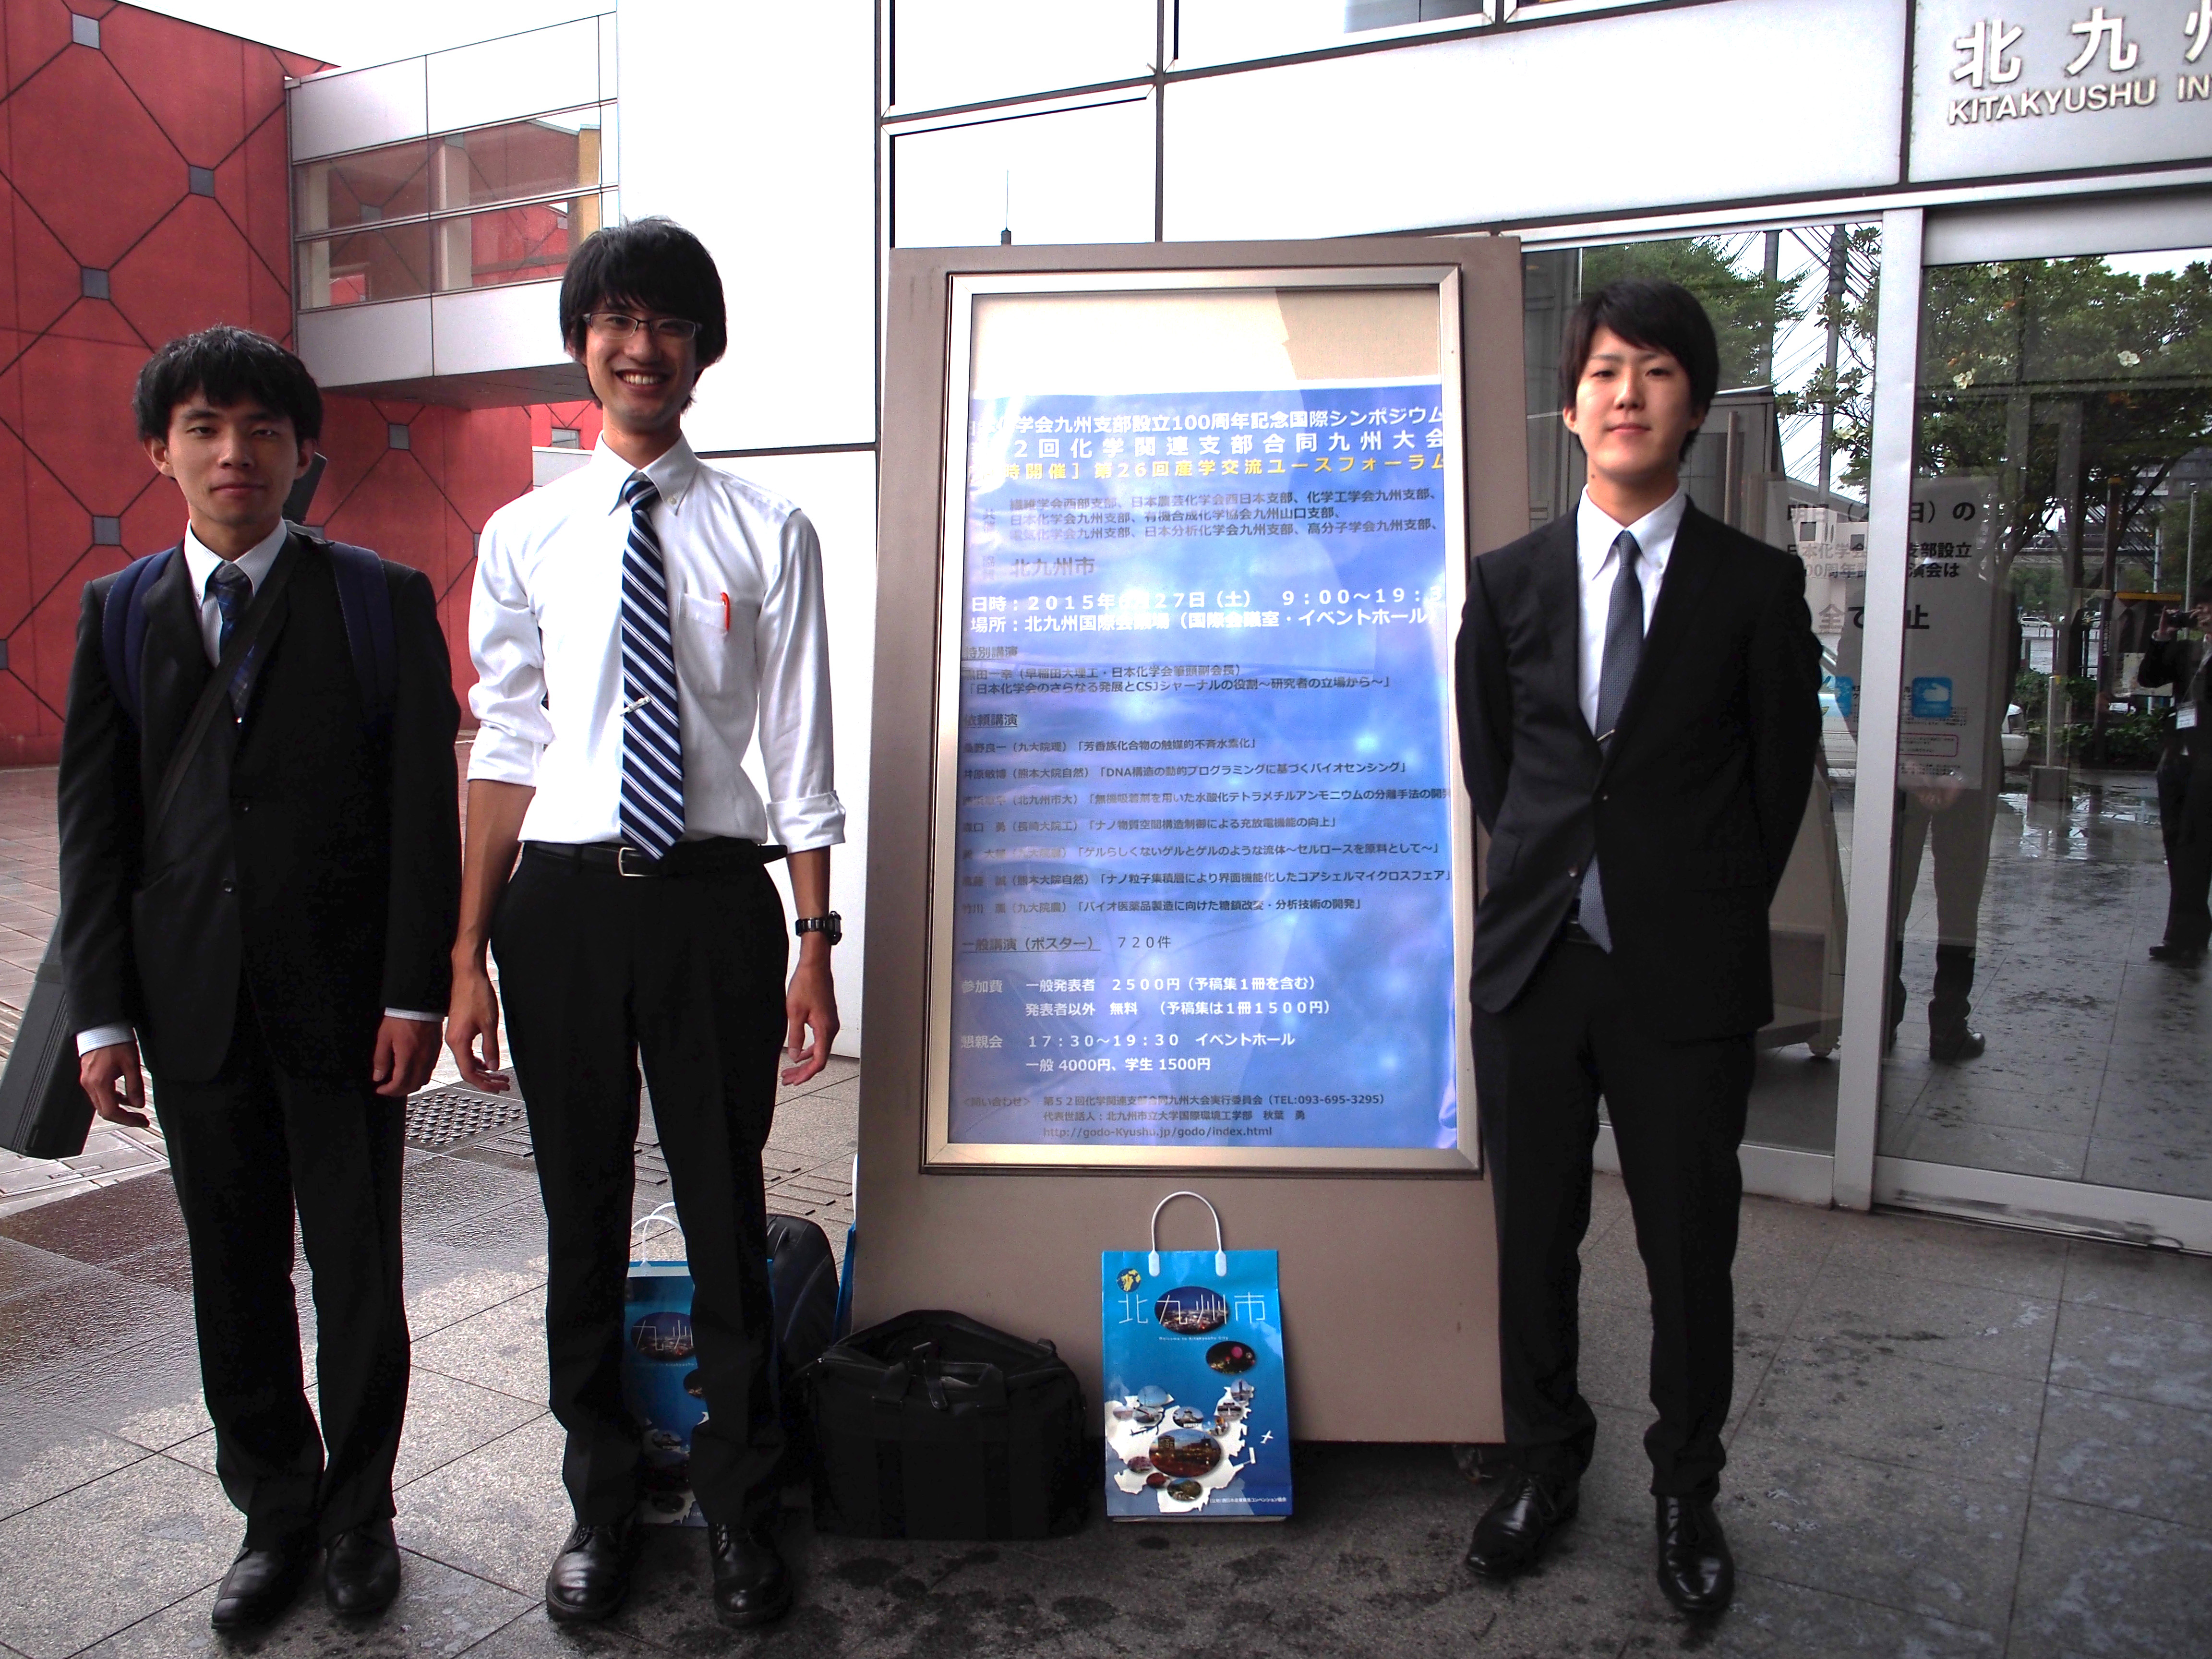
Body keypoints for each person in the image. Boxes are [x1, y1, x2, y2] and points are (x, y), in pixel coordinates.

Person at [445, 217, 843, 1630]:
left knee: (726, 1207)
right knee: (580, 1208)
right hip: (559, 907)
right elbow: (504, 744)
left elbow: (799, 750)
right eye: (616, 320)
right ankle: (601, 1500)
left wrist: (815, 938)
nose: (641, 346)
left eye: (668, 321)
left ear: (701, 349)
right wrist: (466, 955)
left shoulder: (768, 530)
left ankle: (739, 1502)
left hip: (715, 905)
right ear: (581, 344)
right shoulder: (525, 535)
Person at [58, 327, 460, 1630]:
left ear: (300, 453)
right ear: (159, 451)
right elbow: (94, 828)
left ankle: (361, 1514)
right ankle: (275, 1510)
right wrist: (102, 1015)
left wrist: (414, 994)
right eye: (206, 427)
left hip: (347, 1013)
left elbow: (422, 813)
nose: (236, 452)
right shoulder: (118, 614)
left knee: (358, 1274)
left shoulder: (377, 599)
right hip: (192, 1010)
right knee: (232, 1274)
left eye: (264, 430)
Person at [1454, 279, 1820, 1616]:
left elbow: (1776, 786)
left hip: (1684, 978)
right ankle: (1544, 1462)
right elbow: (1500, 768)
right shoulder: (1507, 583)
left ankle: (1686, 1491)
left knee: (1688, 1247)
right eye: (1605, 370)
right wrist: (1564, 882)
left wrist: (1688, 901)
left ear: (1695, 406)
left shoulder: (1755, 586)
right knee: (1532, 1241)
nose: (1626, 392)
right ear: (1571, 409)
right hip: (1537, 969)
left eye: (1656, 370)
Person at [2138, 580, 2212, 964]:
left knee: (2194, 846)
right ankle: (2188, 932)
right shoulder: (2189, 649)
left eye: (2209, 606)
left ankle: (2184, 937)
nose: (2203, 613)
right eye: (2200, 606)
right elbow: (2149, 678)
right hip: (2178, 757)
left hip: (2208, 760)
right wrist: (2162, 638)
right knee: (2176, 844)